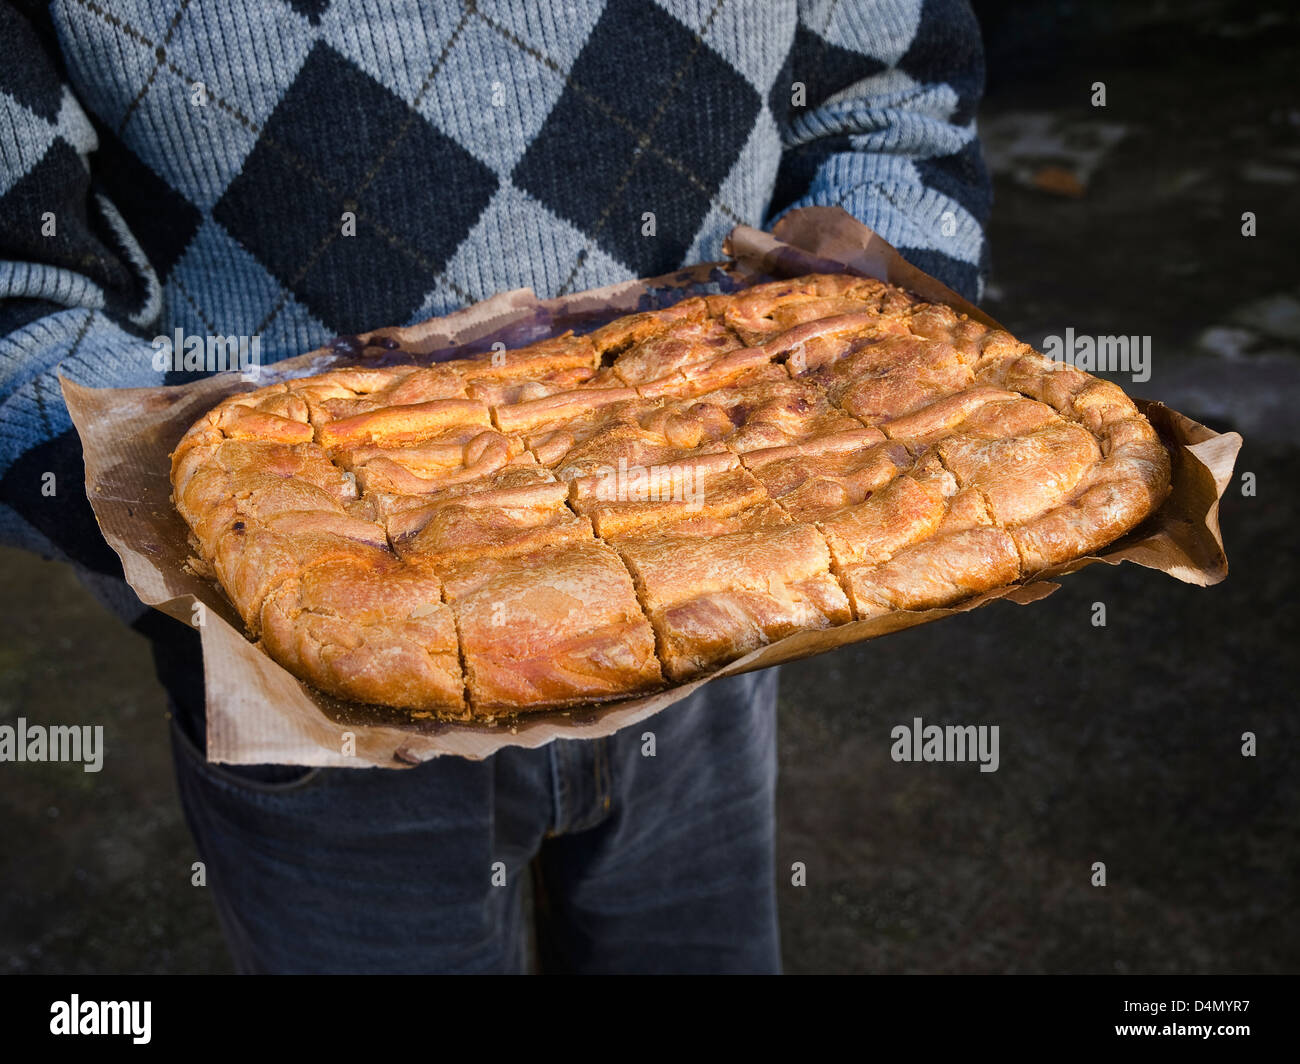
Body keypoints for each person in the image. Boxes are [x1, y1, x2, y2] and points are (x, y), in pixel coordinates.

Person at [0, 0, 990, 973]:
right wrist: (273, 526)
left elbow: (889, 109)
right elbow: (17, 309)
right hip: (308, 698)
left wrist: (856, 378)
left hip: (721, 632)